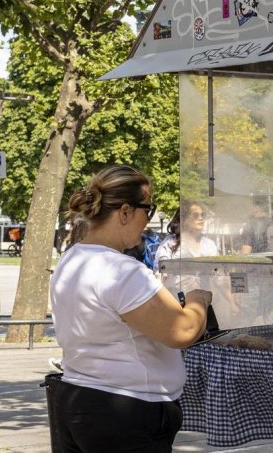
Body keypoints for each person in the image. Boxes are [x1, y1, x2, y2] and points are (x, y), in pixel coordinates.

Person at [48, 165, 213, 453]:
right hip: (125, 410)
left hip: (76, 399)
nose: (147, 222)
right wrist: (199, 299)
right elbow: (183, 331)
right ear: (124, 212)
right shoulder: (122, 270)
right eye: (147, 211)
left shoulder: (71, 258)